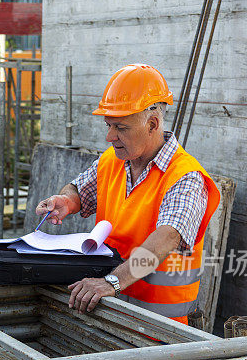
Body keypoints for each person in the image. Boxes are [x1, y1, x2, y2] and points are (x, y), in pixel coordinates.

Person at [35, 64, 220, 323]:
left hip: (162, 333)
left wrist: (112, 282)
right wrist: (66, 201)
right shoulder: (112, 160)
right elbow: (79, 190)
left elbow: (166, 238)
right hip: (111, 315)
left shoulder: (185, 177)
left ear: (152, 124)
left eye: (121, 128)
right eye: (108, 125)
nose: (110, 136)